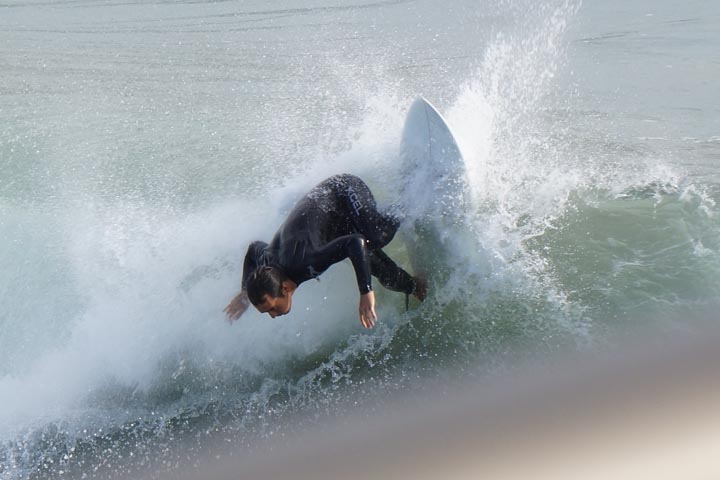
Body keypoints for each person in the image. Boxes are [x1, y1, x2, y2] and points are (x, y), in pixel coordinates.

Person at [224, 174, 425, 328]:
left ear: (285, 288)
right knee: (386, 275)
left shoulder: (305, 261)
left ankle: (415, 196)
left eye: (271, 308)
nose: (273, 315)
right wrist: (244, 293)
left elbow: (356, 242)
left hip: (342, 190)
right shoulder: (268, 266)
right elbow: (252, 251)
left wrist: (365, 292)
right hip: (335, 222)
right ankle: (418, 287)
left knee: (375, 238)